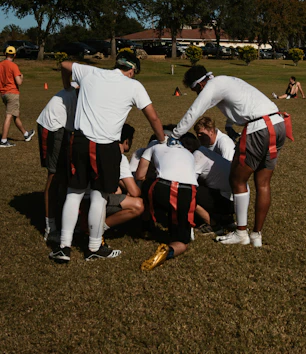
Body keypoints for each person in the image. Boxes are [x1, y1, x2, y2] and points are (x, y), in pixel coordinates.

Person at [49, 51, 165, 263]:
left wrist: (67, 86)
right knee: (99, 196)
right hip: (107, 146)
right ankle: (94, 246)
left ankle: (63, 247)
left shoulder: (91, 72)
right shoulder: (134, 85)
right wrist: (162, 139)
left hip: (81, 141)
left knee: (74, 193)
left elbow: (65, 64)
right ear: (132, 70)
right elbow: (153, 116)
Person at [170, 65, 289, 247]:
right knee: (263, 183)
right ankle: (256, 235)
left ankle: (241, 233)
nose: (197, 94)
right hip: (279, 123)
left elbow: (194, 112)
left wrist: (175, 135)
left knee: (237, 179)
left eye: (195, 91)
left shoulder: (212, 86)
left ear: (200, 85)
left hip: (260, 127)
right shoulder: (228, 80)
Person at [136, 133, 198, 271]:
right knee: (182, 242)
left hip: (161, 187)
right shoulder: (188, 153)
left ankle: (146, 226)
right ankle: (168, 251)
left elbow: (140, 175)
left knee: (146, 186)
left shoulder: (154, 144)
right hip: (188, 190)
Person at [36, 84, 78, 242]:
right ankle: (50, 227)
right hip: (53, 125)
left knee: (66, 172)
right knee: (54, 174)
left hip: (66, 126)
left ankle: (68, 219)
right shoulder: (85, 85)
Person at [0, 46, 35, 147]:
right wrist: (21, 77)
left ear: (5, 54)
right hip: (12, 93)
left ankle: (26, 134)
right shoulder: (13, 66)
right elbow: (19, 82)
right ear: (14, 55)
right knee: (9, 116)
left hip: (3, 94)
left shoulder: (0, 65)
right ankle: (3, 140)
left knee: (16, 115)